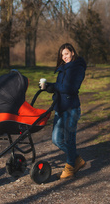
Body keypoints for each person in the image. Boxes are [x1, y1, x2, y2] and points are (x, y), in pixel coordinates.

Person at [40, 43, 87, 179]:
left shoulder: (77, 67)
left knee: (69, 139)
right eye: (62, 55)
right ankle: (76, 159)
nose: (64, 57)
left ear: (72, 52)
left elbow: (71, 88)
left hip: (71, 109)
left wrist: (54, 86)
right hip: (60, 107)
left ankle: (70, 166)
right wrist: (49, 87)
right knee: (56, 139)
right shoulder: (64, 68)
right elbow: (61, 87)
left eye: (66, 53)